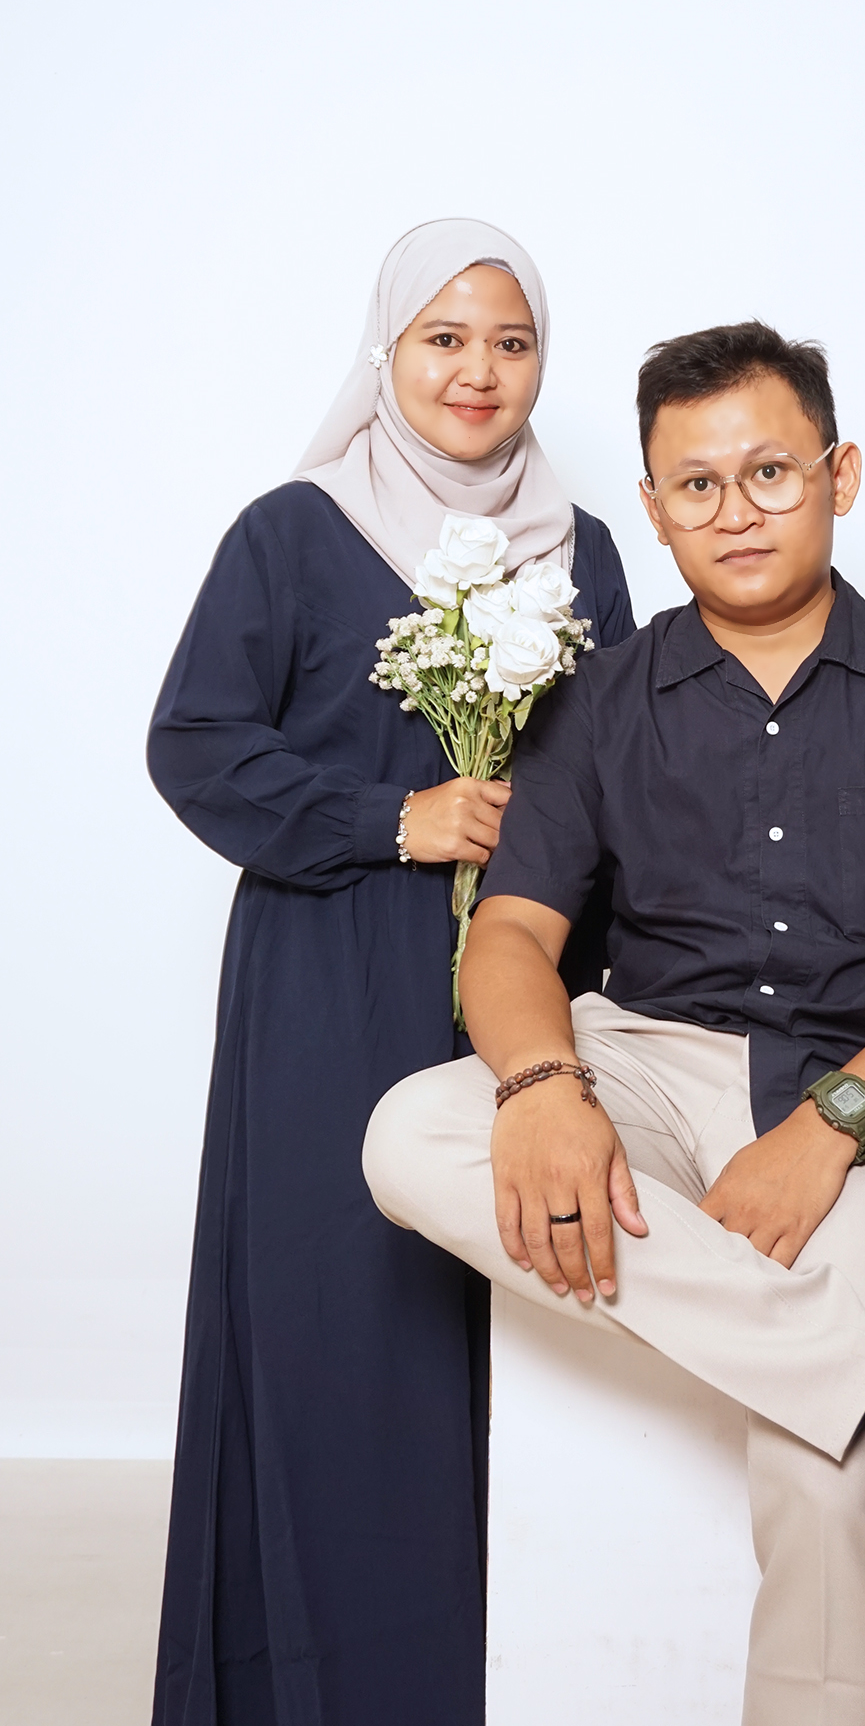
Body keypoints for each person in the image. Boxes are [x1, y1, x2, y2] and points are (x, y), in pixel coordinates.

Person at [363, 321, 865, 1725]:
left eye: (768, 473)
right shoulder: (598, 701)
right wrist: (544, 1086)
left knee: (828, 1462)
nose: (734, 512)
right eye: (696, 486)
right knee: (411, 1132)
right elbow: (513, 934)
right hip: (644, 1065)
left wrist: (829, 1127)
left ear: (838, 475)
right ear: (654, 507)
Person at [146, 219, 635, 1726]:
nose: (477, 371)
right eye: (444, 338)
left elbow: (626, 768)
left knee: (525, 1320)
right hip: (330, 980)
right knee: (340, 1317)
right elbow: (194, 743)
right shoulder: (293, 532)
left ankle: (521, 1681)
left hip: (534, 989)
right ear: (387, 350)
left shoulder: (584, 549)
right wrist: (390, 818)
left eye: (511, 342)